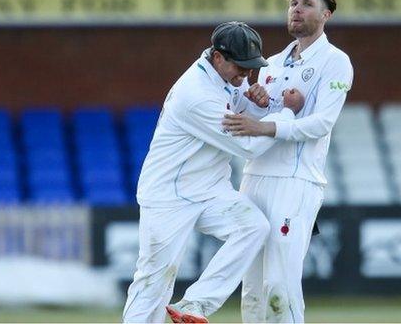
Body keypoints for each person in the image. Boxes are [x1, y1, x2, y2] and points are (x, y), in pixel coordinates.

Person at [122, 21, 305, 323]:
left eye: (251, 68)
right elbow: (247, 145)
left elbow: (247, 117)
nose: (246, 75)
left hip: (211, 189)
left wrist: (258, 106)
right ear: (218, 57)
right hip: (170, 195)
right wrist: (285, 113)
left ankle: (195, 304)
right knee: (154, 282)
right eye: (241, 67)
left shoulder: (229, 77)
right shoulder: (195, 94)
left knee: (254, 227)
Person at [222, 0, 354, 322]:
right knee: (251, 288)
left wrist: (264, 124)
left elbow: (322, 123)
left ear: (326, 15)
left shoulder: (335, 61)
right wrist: (258, 103)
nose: (297, 10)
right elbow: (256, 116)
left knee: (279, 284)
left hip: (295, 181)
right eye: (294, 3)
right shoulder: (272, 64)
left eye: (307, 4)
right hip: (254, 178)